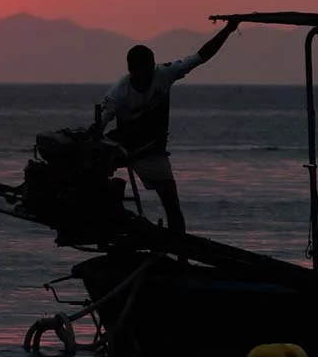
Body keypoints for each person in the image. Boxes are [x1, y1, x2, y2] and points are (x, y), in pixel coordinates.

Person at [97, 19, 240, 239]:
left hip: (152, 151)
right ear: (131, 71)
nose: (146, 77)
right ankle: (109, 216)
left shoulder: (164, 74)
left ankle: (181, 251)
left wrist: (228, 30)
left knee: (172, 203)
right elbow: (100, 124)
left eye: (148, 71)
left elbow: (201, 57)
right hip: (125, 146)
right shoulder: (118, 94)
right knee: (96, 163)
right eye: (140, 72)